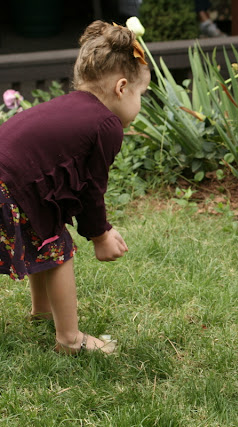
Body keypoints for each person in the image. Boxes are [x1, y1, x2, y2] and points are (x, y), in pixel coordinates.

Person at [0, 21, 151, 355]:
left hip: (11, 183)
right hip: (9, 188)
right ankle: (70, 339)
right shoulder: (106, 125)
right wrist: (100, 235)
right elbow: (90, 192)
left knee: (47, 233)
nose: (139, 104)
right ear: (122, 88)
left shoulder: (71, 107)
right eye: (141, 94)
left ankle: (42, 312)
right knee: (58, 249)